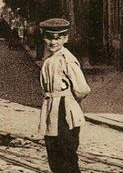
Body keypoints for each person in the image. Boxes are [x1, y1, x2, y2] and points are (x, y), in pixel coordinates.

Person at [37, 18, 90, 173]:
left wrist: (70, 101)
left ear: (66, 38)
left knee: (67, 156)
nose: (53, 42)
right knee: (54, 154)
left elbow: (82, 88)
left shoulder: (67, 60)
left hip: (65, 112)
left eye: (58, 38)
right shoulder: (49, 59)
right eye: (49, 38)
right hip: (51, 110)